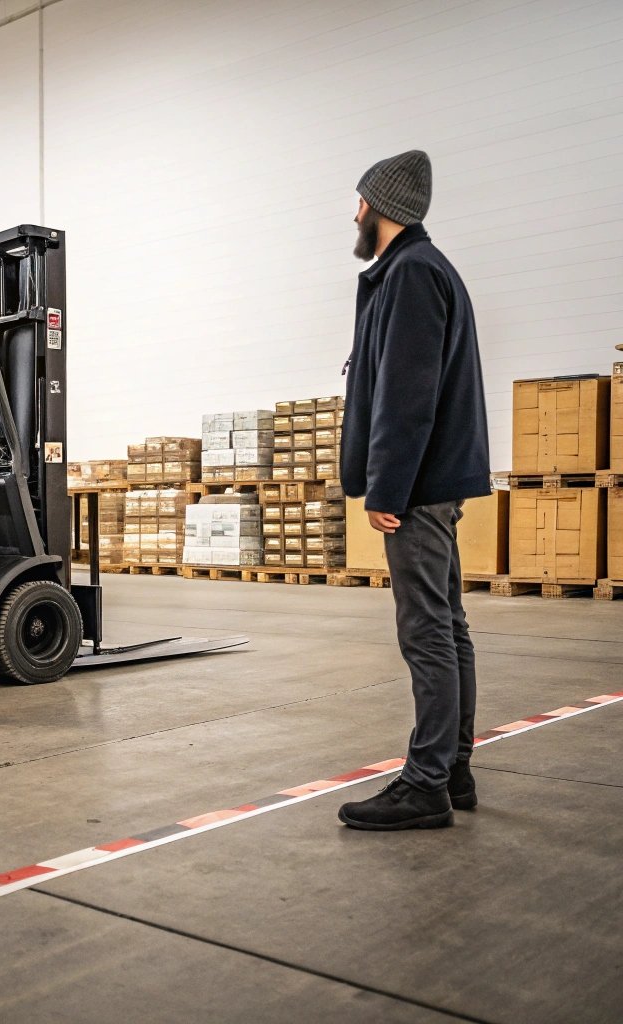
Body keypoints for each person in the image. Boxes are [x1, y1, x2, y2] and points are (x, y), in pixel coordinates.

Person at [337, 150, 491, 831]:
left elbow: (407, 397)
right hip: (432, 484)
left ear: (379, 207)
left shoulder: (411, 275)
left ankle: (426, 782)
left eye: (359, 202)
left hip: (418, 489)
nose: (354, 213)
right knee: (448, 627)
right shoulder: (419, 272)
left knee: (426, 630)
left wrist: (386, 489)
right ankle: (452, 770)